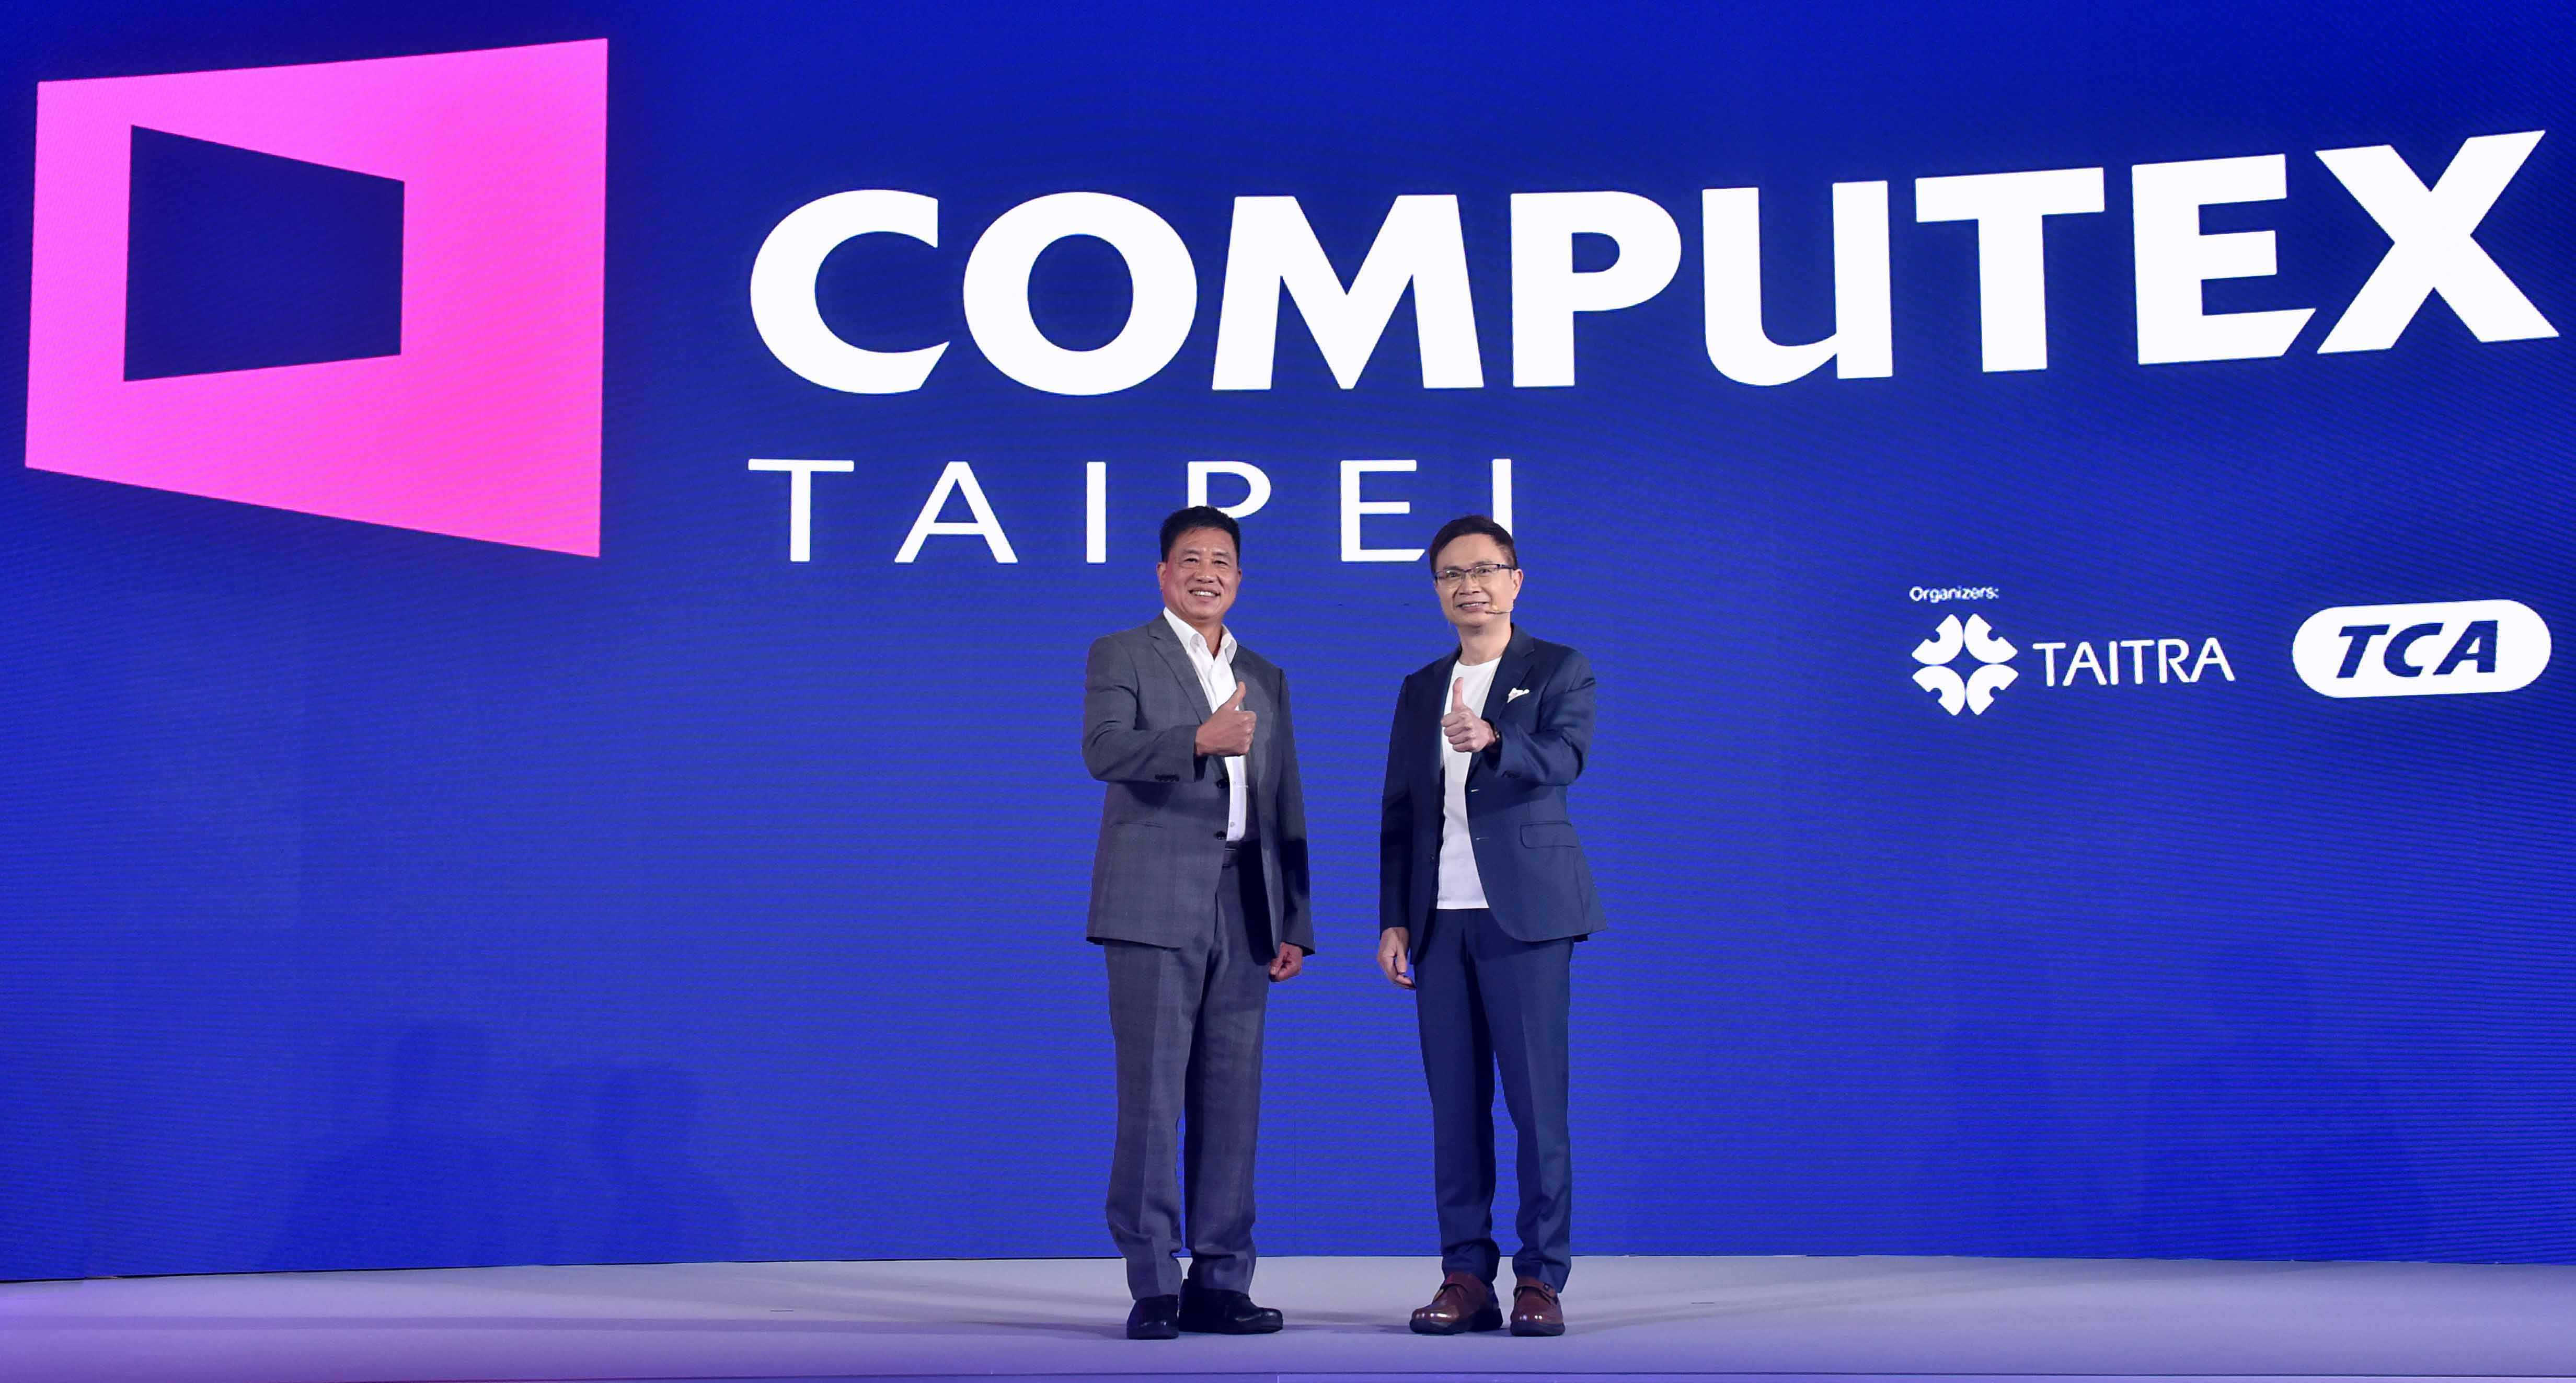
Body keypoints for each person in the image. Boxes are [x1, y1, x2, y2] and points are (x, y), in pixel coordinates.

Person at [1082, 505, 1312, 1340]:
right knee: (1152, 1098)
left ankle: (1221, 1278)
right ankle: (1153, 1282)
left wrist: (1294, 918)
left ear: (1239, 578)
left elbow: (1284, 799)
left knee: (1232, 1100)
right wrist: (1198, 739)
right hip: (1152, 900)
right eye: (1190, 559)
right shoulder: (1123, 652)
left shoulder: (1265, 672)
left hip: (1245, 902)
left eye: (1221, 560)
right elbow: (1104, 748)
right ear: (1163, 573)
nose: (1206, 573)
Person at [1376, 514, 1603, 1338]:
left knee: (1538, 1106)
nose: (1467, 586)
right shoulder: (1420, 686)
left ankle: (1541, 1277)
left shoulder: (1558, 667)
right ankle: (1466, 1275)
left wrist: (1496, 737)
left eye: (1483, 570)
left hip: (1528, 916)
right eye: (1450, 575)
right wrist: (1395, 920)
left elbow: (1566, 758)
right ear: (1437, 590)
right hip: (1439, 923)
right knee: (1456, 1109)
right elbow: (1401, 812)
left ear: (1515, 579)